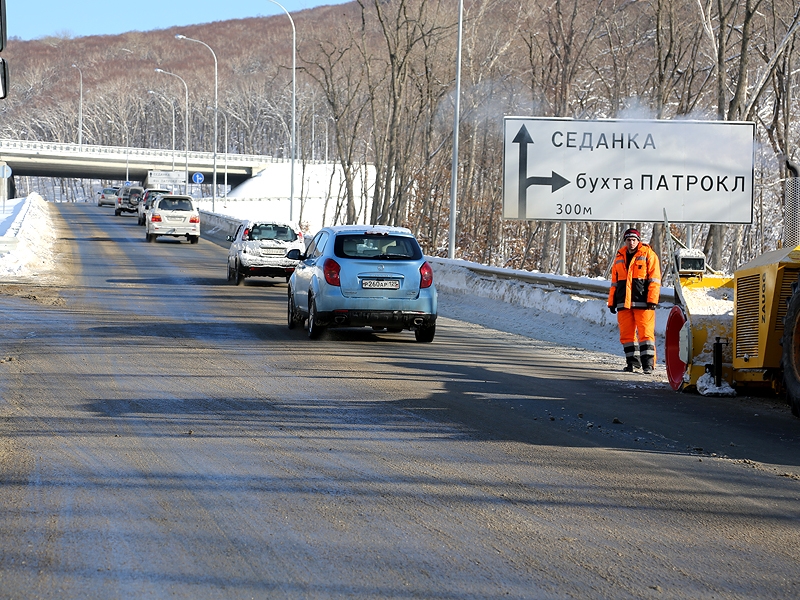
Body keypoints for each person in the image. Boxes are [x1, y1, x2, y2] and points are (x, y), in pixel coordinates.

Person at [607, 228, 662, 373]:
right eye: (628, 240)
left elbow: (655, 280)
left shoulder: (648, 254)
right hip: (623, 303)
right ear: (625, 241)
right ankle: (632, 363)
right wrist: (611, 301)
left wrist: (652, 300)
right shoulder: (619, 257)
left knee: (646, 334)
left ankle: (648, 365)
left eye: (634, 240)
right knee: (626, 335)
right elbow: (614, 282)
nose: (631, 242)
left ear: (638, 240)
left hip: (643, 302)